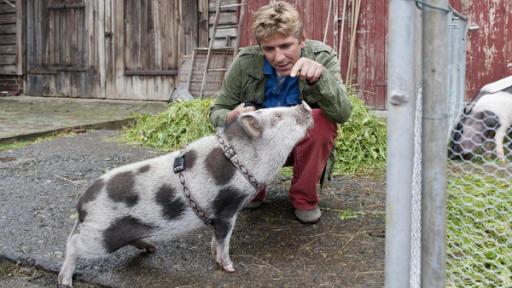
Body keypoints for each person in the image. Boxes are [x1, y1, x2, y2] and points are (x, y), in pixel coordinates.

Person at [209, 1, 352, 224]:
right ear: (260, 47)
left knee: (321, 119)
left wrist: (321, 79)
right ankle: (253, 187)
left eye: (286, 46)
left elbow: (343, 113)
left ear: (302, 39)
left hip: (300, 146)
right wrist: (231, 116)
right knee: (246, 122)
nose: (278, 57)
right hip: (260, 145)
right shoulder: (245, 63)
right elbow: (216, 110)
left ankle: (304, 198)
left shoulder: (323, 56)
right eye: (269, 49)